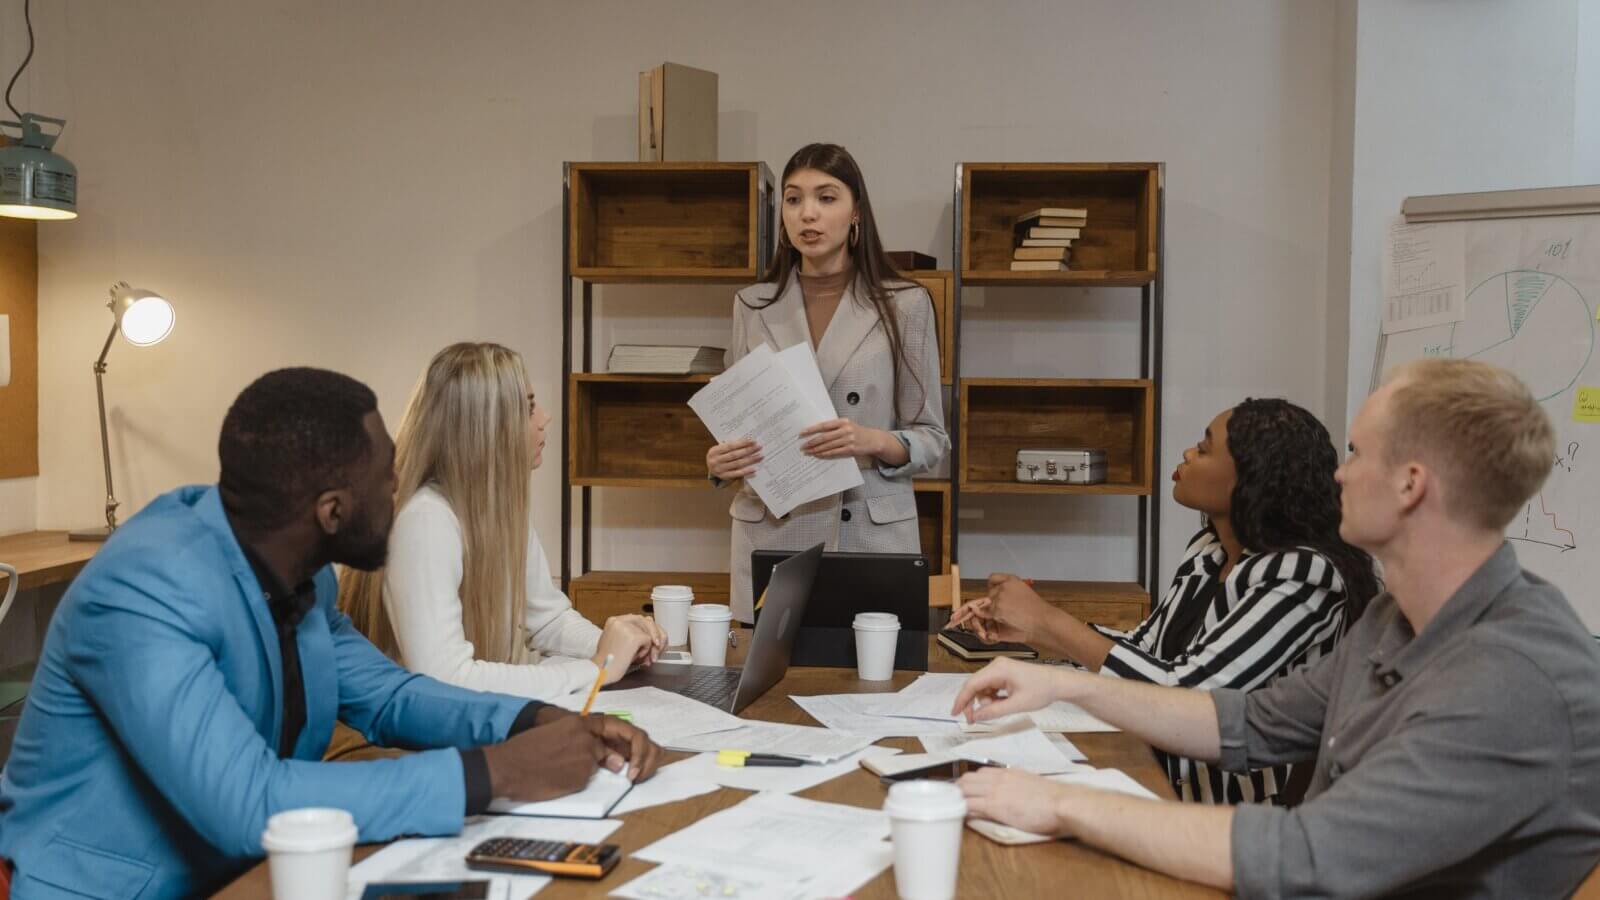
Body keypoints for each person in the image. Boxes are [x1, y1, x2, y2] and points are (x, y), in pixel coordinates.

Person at [0, 368, 662, 898]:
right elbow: (249, 801)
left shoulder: (302, 574)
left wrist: (532, 721)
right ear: (333, 510)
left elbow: (391, 697)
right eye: (388, 479)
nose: (401, 493)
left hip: (256, 875)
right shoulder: (144, 590)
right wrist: (489, 775)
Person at [951, 359, 1600, 898]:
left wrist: (1060, 805)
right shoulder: (1391, 619)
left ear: (1410, 484)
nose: (1338, 473)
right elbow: (1248, 721)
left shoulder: (1512, 679)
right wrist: (1067, 687)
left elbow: (1310, 856)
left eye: (1356, 453)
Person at [950, 398, 1379, 803]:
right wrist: (1034, 635)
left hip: (1230, 813)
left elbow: (1189, 696)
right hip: (1157, 776)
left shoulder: (1303, 575)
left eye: (1205, 449)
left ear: (1250, 478)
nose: (1188, 454)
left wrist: (1049, 621)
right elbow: (1144, 651)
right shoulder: (1210, 552)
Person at [339, 342, 665, 700]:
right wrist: (596, 668)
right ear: (487, 427)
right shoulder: (425, 521)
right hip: (411, 734)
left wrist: (620, 645)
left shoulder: (497, 508)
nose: (544, 417)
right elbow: (447, 678)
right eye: (527, 408)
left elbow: (549, 621)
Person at [706, 143, 949, 621]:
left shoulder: (906, 304)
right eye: (794, 200)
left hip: (867, 534)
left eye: (826, 197)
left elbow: (933, 440)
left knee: (869, 691)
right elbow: (738, 423)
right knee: (766, 691)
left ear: (856, 212)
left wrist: (870, 439)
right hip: (774, 534)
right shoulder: (751, 306)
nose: (807, 214)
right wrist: (719, 462)